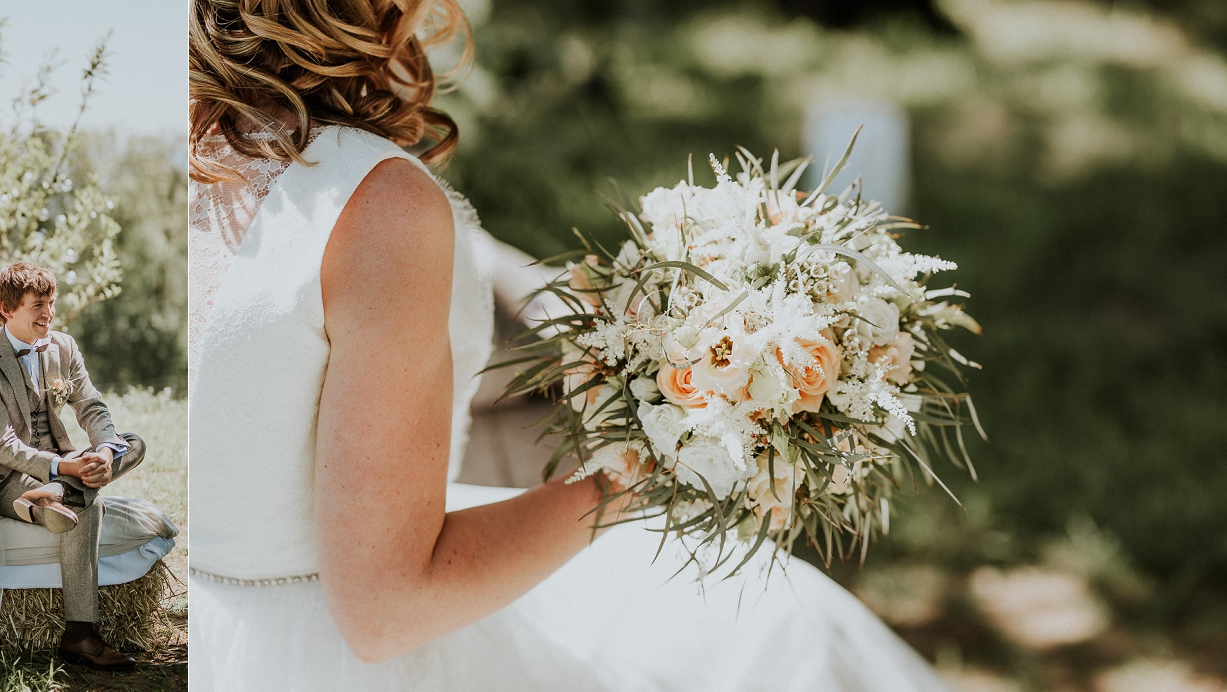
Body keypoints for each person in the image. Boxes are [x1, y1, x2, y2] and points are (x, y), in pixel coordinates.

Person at [187, 1, 956, 690]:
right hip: (334, 656)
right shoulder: (377, 205)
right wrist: (632, 474)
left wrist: (571, 310)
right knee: (779, 636)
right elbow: (386, 611)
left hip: (206, 629)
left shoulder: (180, 143)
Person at [0, 260, 146, 672]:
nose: (49, 313)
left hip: (61, 466)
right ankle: (80, 637)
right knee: (87, 505)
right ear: (7, 309)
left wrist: (104, 454)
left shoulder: (64, 347)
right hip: (1, 472)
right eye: (38, 304)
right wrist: (66, 467)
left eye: (52, 302)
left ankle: (50, 498)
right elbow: (3, 447)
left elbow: (91, 405)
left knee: (134, 444)